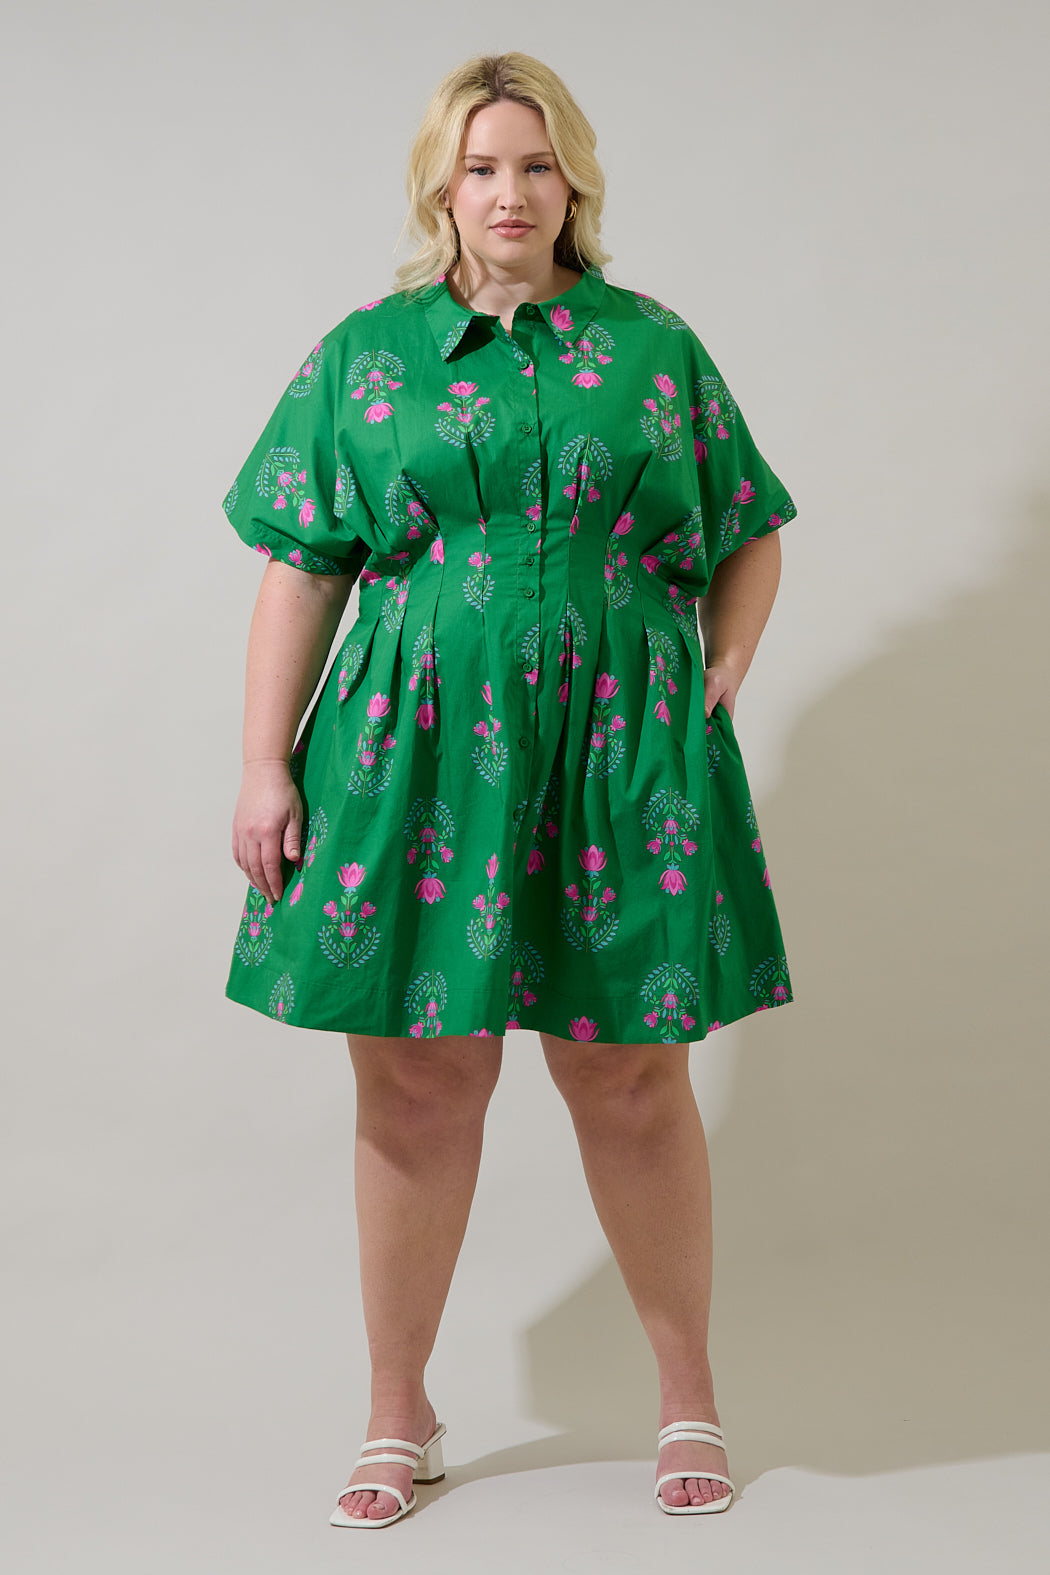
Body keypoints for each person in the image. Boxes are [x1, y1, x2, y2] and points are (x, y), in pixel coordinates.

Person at [223, 51, 797, 1528]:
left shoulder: (653, 346)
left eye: (536, 165)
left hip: (620, 749)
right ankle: (396, 1411)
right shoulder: (367, 355)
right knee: (418, 1076)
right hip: (413, 746)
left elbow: (746, 518)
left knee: (630, 1071)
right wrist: (262, 762)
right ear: (441, 186)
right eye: (481, 166)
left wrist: (723, 664)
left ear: (573, 183)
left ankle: (687, 1396)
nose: (509, 192)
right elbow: (304, 562)